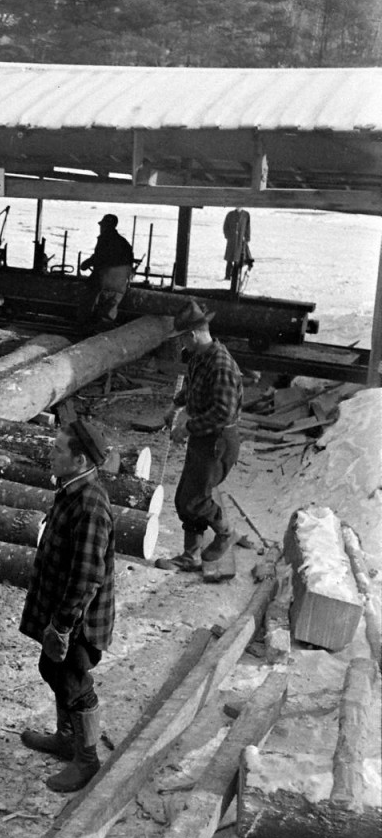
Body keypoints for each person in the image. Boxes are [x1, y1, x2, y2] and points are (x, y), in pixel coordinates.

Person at [19, 418, 116, 794]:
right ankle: (66, 738)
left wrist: (62, 625)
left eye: (58, 449)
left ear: (78, 459)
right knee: (52, 669)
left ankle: (87, 760)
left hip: (80, 619)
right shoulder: (71, 489)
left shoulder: (90, 505)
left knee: (75, 682)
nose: (51, 453)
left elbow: (87, 576)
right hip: (64, 612)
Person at [159, 298, 244, 572]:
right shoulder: (199, 357)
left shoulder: (222, 365)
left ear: (192, 335)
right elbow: (194, 387)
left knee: (196, 499)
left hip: (218, 441)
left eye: (182, 339)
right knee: (185, 496)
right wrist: (176, 405)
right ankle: (190, 555)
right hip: (203, 438)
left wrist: (186, 428)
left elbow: (223, 412)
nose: (181, 345)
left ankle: (226, 532)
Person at [79, 213, 135, 328]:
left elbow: (98, 257)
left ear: (105, 226)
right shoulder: (124, 243)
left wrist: (85, 264)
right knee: (107, 317)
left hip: (104, 282)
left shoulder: (105, 239)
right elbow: (130, 265)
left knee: (87, 309)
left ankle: (84, 333)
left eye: (102, 225)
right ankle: (104, 336)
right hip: (119, 285)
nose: (101, 228)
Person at [222, 207, 253, 292]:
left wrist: (247, 238)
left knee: (239, 258)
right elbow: (225, 226)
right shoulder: (230, 214)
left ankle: (236, 275)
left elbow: (247, 227)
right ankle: (227, 275)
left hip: (240, 240)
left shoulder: (246, 215)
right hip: (232, 240)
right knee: (230, 258)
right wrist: (228, 235)